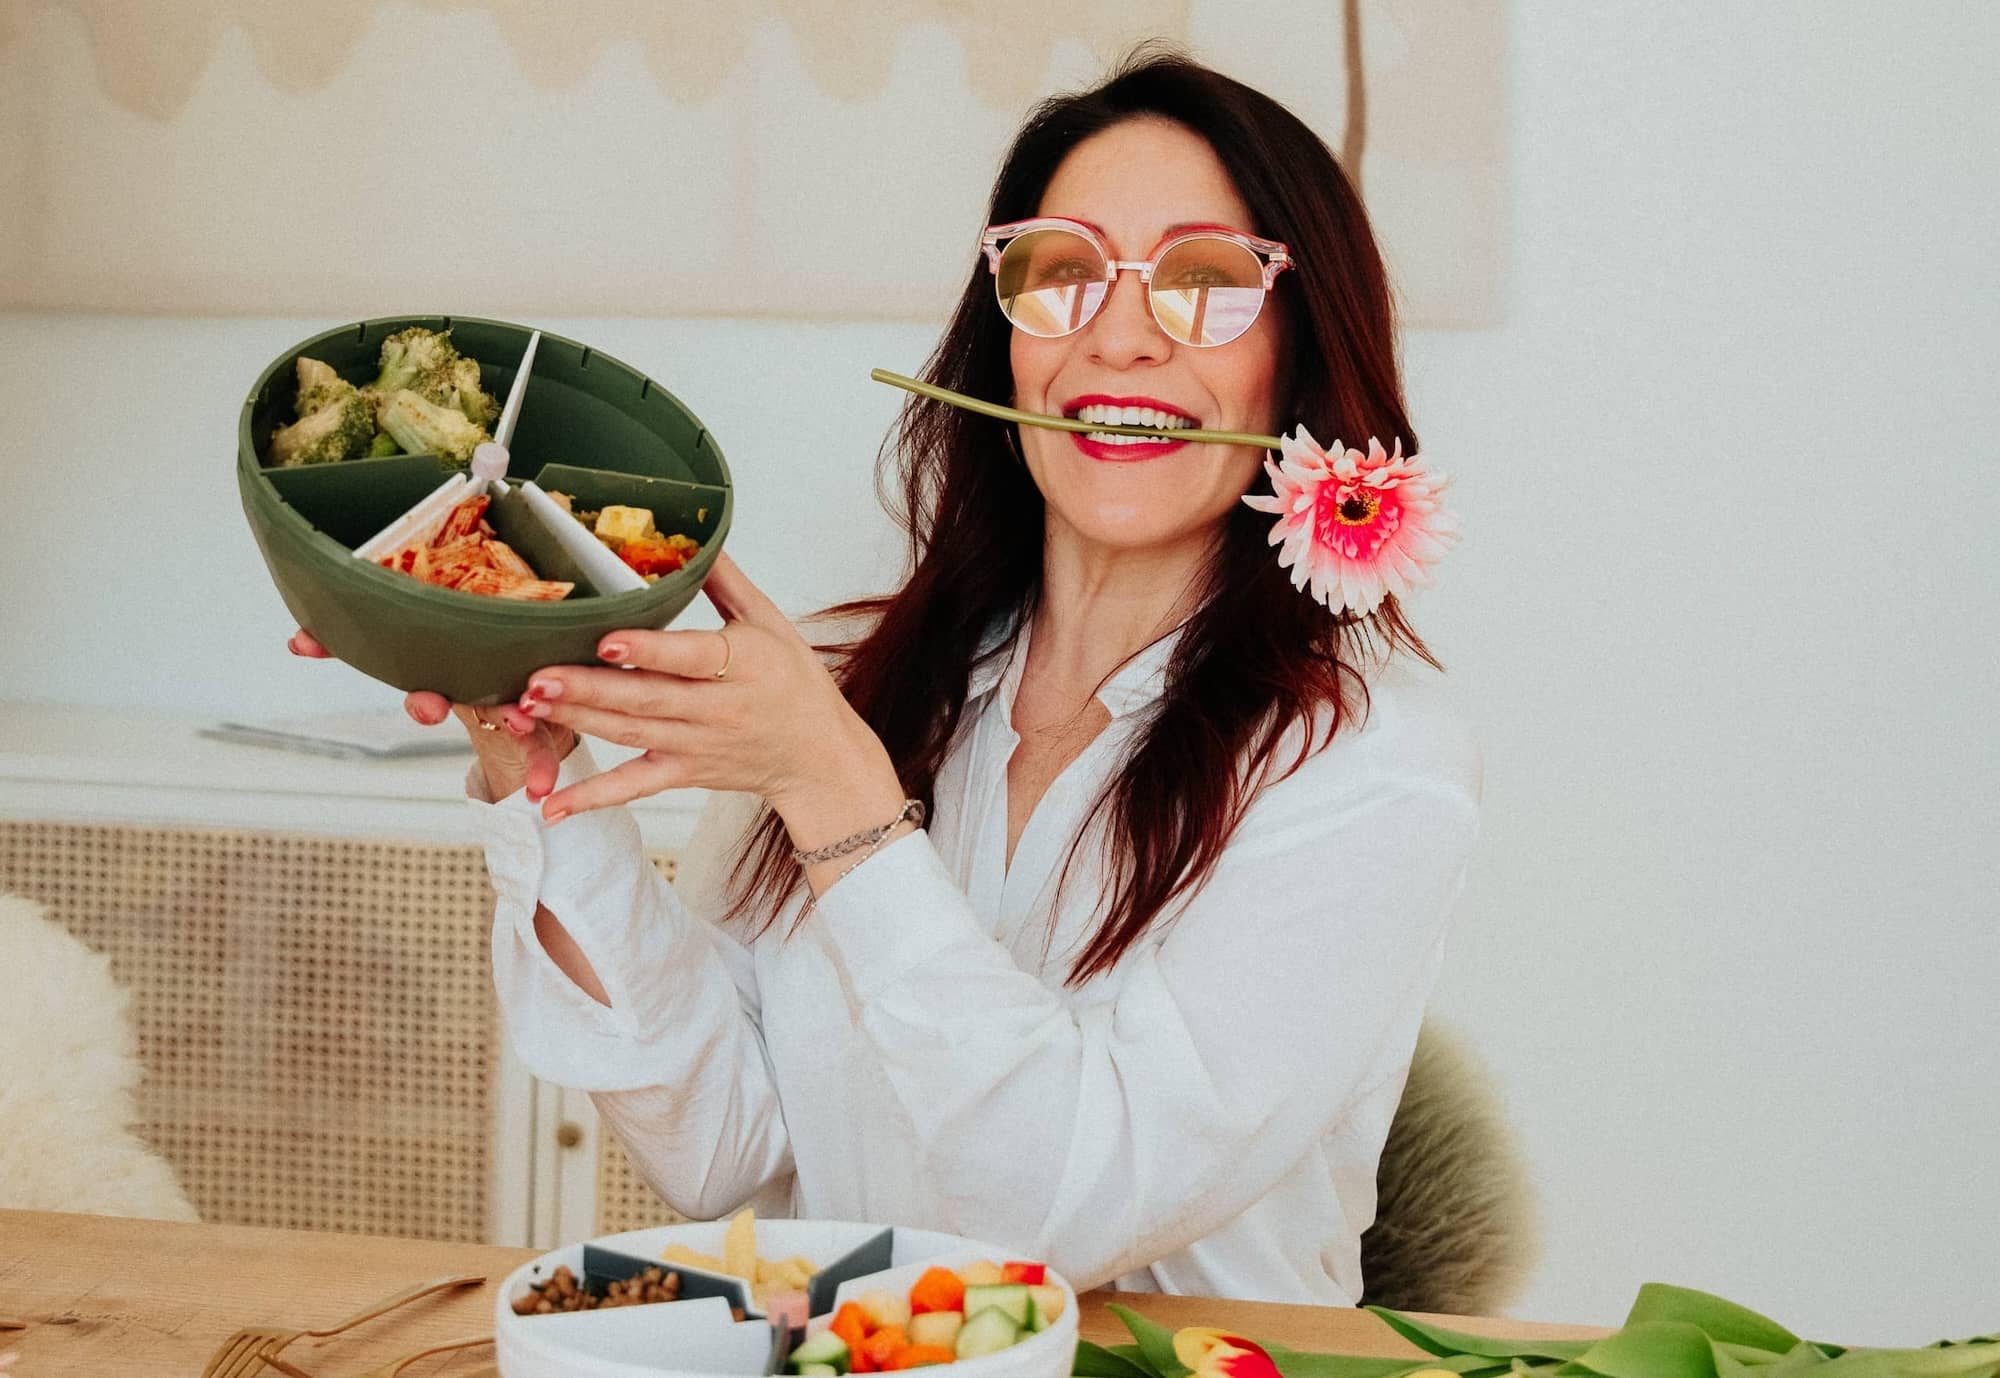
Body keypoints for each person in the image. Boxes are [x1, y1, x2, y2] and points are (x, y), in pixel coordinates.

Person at [293, 48, 1480, 1304]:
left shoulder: (1367, 763)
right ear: (1000, 343)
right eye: (1060, 274)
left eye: (1203, 284)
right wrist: (531, 756)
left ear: (1296, 357)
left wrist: (836, 791)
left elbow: (1069, 1217)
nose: (1118, 337)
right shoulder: (852, 680)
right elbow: (723, 1147)